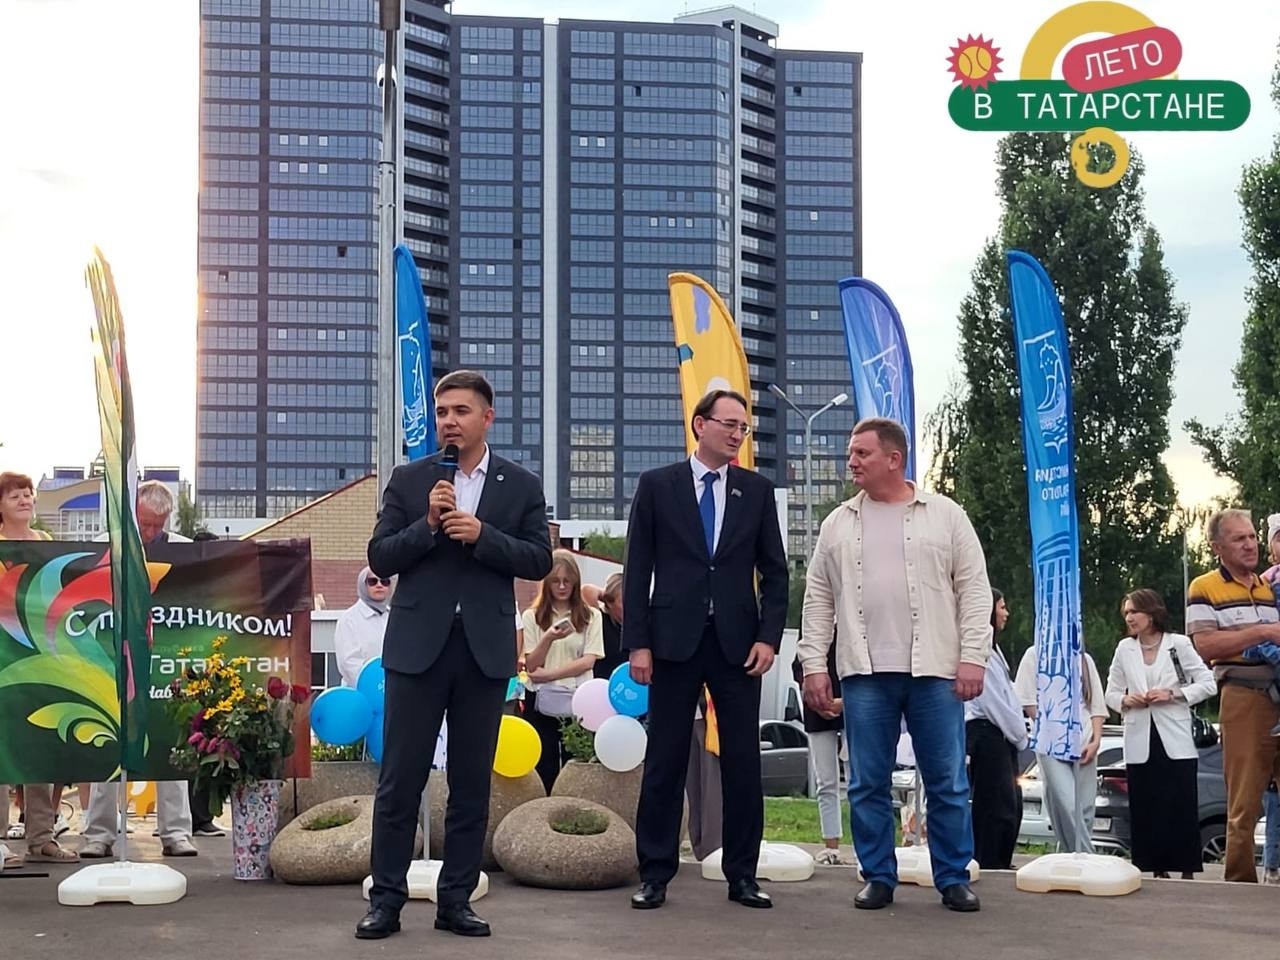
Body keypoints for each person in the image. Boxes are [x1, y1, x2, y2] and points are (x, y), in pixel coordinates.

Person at [358, 370, 552, 940]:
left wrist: (482, 535)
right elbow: (380, 556)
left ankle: (456, 901)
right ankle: (385, 901)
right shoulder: (410, 478)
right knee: (400, 782)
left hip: (483, 653)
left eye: (461, 411)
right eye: (442, 411)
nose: (449, 421)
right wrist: (427, 525)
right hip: (418, 650)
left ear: (487, 418)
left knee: (470, 785)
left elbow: (539, 559)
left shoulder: (520, 485)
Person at [799, 417, 991, 913]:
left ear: (894, 458)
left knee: (947, 780)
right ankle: (878, 876)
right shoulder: (838, 524)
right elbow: (818, 599)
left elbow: (974, 591)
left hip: (936, 671)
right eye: (851, 453)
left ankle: (953, 877)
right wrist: (813, 664)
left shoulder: (945, 515)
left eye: (861, 453)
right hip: (864, 674)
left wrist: (973, 657)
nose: (851, 462)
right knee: (867, 781)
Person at [624, 388, 788, 911]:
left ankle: (742, 874)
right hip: (673, 643)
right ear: (701, 425)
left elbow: (776, 573)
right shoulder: (658, 486)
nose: (738, 434)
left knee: (741, 762)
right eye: (729, 424)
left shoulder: (755, 491)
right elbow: (637, 570)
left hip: (738, 646)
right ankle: (654, 874)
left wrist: (768, 637)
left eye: (744, 427)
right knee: (665, 760)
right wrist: (638, 644)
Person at [81, 479, 198, 858]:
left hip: (166, 658)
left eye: (157, 525)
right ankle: (99, 833)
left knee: (170, 743)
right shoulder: (105, 544)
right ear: (132, 514)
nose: (150, 532)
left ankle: (176, 832)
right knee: (110, 743)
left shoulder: (184, 550)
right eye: (145, 524)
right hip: (115, 658)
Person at [1187, 508, 1280, 882]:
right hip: (1244, 694)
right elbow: (1206, 646)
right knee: (1244, 801)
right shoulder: (1204, 587)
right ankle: (1240, 886)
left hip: (1277, 691)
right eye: (1239, 538)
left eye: (1253, 536)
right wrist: (1264, 632)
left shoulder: (1268, 586)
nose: (1250, 544)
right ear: (1217, 547)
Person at [1104, 588, 1215, 878]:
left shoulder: (1178, 644)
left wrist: (1173, 694)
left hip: (1175, 738)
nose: (1129, 618)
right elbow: (1110, 693)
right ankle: (1153, 866)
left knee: (1180, 803)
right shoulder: (1124, 649)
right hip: (1139, 737)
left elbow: (1208, 683)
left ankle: (1186, 868)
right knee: (1146, 803)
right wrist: (1126, 700)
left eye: (1134, 612)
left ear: (1152, 613)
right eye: (1126, 613)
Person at [0, 471, 78, 865]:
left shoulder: (46, 542)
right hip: (3, 656)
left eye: (28, 494)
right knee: (3, 746)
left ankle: (42, 837)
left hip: (39, 653)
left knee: (39, 745)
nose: (24, 500)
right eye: (14, 495)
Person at [521, 550, 604, 792]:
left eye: (567, 581)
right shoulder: (532, 616)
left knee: (577, 765)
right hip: (542, 701)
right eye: (556, 581)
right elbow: (531, 664)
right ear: (546, 584)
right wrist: (548, 638)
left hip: (578, 699)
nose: (561, 587)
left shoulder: (591, 616)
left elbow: (588, 661)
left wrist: (549, 675)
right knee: (543, 766)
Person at [1014, 645, 1107, 854]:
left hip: (1084, 742)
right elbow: (1028, 702)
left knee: (1085, 808)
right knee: (1067, 803)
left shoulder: (1084, 659)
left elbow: (1096, 705)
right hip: (1051, 743)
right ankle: (1087, 856)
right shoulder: (1034, 654)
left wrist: (1096, 740)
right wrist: (1055, 731)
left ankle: (1071, 854)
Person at [964, 590, 1028, 870]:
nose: (1006, 613)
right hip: (987, 734)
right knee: (994, 804)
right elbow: (995, 703)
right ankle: (989, 861)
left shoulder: (995, 651)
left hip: (1002, 735)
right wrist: (1019, 734)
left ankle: (1001, 859)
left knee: (1010, 802)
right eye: (1001, 607)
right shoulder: (980, 654)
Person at [792, 629, 848, 865]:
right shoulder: (812, 623)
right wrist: (815, 699)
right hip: (817, 708)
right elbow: (798, 666)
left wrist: (844, 703)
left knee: (859, 780)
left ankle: (864, 848)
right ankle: (831, 847)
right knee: (825, 780)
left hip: (854, 705)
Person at [334, 567, 395, 687]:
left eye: (385, 581)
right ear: (363, 585)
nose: (379, 585)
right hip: (360, 691)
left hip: (391, 690)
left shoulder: (394, 617)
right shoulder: (349, 619)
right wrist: (372, 685)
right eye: (373, 581)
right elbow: (348, 662)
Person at [584, 572, 626, 681]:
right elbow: (587, 591)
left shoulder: (636, 628)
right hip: (600, 684)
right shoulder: (600, 620)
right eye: (623, 602)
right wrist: (608, 595)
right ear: (609, 602)